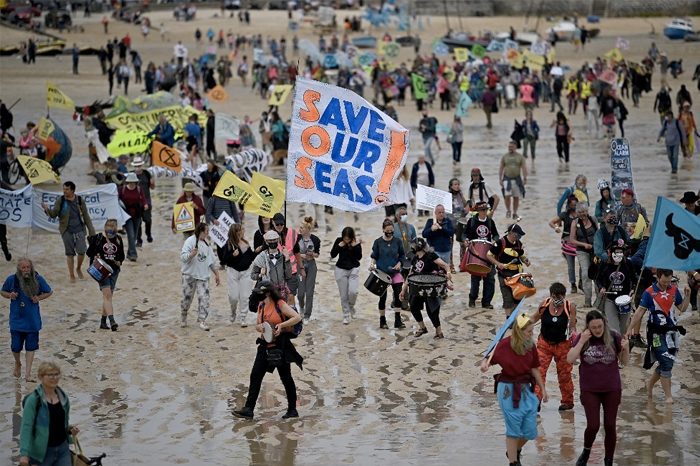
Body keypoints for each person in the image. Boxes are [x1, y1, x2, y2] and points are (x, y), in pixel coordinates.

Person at [480, 313, 547, 466]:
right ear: (519, 331)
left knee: (531, 429)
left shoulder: (531, 345)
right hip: (507, 389)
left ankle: (513, 450)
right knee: (513, 427)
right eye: (529, 331)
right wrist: (484, 364)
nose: (532, 334)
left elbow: (534, 368)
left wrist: (542, 389)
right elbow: (488, 360)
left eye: (532, 330)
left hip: (525, 388)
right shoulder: (503, 344)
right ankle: (513, 462)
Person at [233, 280, 303, 420]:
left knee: (286, 378)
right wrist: (259, 328)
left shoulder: (280, 304)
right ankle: (248, 409)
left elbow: (297, 317)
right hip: (264, 346)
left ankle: (292, 410)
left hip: (280, 347)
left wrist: (281, 326)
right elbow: (258, 325)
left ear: (268, 293)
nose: (257, 295)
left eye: (260, 292)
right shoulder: (261, 305)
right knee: (255, 376)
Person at [568, 310, 629, 466]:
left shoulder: (614, 336)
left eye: (600, 326)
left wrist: (626, 348)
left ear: (604, 323)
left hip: (612, 387)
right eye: (593, 327)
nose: (597, 330)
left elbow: (625, 362)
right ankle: (586, 450)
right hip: (590, 388)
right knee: (593, 425)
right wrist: (581, 342)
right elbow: (570, 359)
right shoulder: (584, 338)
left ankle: (609, 460)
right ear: (588, 326)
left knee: (610, 425)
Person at [626, 269, 690, 404]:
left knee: (668, 361)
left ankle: (650, 383)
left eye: (668, 281)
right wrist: (630, 328)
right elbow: (639, 312)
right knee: (666, 361)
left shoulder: (673, 290)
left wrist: (687, 295)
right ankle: (668, 397)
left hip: (672, 332)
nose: (666, 284)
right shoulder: (649, 292)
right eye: (663, 281)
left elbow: (682, 308)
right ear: (658, 278)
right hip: (655, 332)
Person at [19, 361, 80, 466]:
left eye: (56, 374)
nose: (54, 377)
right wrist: (24, 454)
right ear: (40, 377)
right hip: (41, 454)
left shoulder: (64, 398)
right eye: (50, 374)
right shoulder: (33, 400)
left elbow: (61, 424)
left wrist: (70, 431)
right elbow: (26, 427)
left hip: (63, 451)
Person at [2, 258, 52, 382]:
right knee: (15, 347)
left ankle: (27, 374)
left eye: (28, 267)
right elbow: (2, 291)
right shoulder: (12, 279)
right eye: (23, 267)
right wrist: (10, 295)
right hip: (16, 320)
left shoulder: (38, 279)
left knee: (31, 347)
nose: (26, 270)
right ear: (18, 269)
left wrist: (38, 298)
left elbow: (49, 291)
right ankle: (17, 363)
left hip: (32, 321)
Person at [531, 282, 577, 411]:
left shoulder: (570, 307)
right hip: (544, 344)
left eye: (560, 297)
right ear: (551, 295)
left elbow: (572, 326)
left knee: (564, 374)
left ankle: (567, 402)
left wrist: (574, 335)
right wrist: (522, 325)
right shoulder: (544, 305)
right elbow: (534, 318)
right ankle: (536, 400)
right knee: (539, 372)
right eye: (555, 297)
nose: (558, 300)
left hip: (563, 345)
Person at [41, 182, 96, 283]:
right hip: (66, 230)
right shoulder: (61, 201)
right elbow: (53, 214)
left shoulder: (79, 200)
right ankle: (72, 275)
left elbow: (86, 216)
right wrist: (46, 209)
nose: (64, 191)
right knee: (69, 253)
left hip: (79, 229)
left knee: (82, 251)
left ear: (72, 190)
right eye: (63, 189)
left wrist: (92, 231)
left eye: (66, 189)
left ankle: (78, 268)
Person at [399, 237, 449, 338]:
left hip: (431, 287)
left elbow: (445, 265)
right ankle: (422, 328)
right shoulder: (414, 258)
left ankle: (438, 332)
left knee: (432, 310)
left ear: (418, 247)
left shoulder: (431, 256)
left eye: (413, 246)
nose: (411, 247)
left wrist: (448, 273)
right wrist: (403, 290)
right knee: (413, 306)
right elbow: (410, 275)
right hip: (417, 288)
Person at [180, 222, 221, 330]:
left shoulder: (207, 245)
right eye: (206, 231)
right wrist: (191, 255)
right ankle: (184, 315)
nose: (208, 233)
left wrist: (217, 274)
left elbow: (212, 262)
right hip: (189, 275)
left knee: (204, 298)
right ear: (201, 231)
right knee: (186, 298)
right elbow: (183, 257)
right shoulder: (189, 241)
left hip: (203, 276)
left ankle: (202, 320)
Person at [86, 219, 124, 332]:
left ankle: (103, 321)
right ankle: (112, 321)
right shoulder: (98, 238)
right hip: (101, 270)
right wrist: (96, 255)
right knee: (107, 295)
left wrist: (119, 261)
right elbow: (89, 252)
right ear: (105, 229)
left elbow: (121, 255)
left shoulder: (118, 239)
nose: (110, 234)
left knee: (108, 297)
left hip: (114, 270)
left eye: (112, 232)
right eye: (108, 232)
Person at [488, 223, 531, 317]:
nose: (519, 237)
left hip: (517, 274)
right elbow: (489, 255)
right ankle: (509, 318)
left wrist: (526, 261)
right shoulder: (500, 243)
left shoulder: (519, 243)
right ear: (512, 233)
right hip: (504, 274)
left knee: (517, 296)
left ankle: (512, 316)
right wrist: (498, 264)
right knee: (507, 298)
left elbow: (522, 255)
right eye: (518, 234)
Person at [371, 218, 407, 329]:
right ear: (383, 229)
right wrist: (372, 264)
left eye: (391, 230)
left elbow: (402, 255)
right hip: (382, 273)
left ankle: (397, 318)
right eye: (387, 230)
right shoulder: (378, 242)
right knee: (382, 297)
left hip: (395, 272)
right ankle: (382, 319)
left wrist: (399, 263)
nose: (389, 233)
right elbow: (374, 256)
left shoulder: (397, 241)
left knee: (398, 294)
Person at [463, 201, 499, 309]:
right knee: (475, 279)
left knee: (490, 279)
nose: (484, 212)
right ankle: (472, 299)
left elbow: (496, 234)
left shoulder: (490, 222)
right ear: (478, 211)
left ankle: (486, 302)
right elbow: (464, 234)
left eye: (486, 210)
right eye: (482, 210)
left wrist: (494, 240)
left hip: (488, 254)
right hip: (476, 253)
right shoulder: (472, 221)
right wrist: (466, 240)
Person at [596, 241, 635, 336]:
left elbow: (634, 279)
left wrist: (633, 290)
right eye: (616, 251)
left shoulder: (628, 263)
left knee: (623, 329)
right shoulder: (605, 263)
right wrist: (601, 288)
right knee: (614, 330)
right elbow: (598, 279)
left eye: (620, 252)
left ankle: (622, 349)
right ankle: (614, 348)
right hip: (610, 300)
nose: (619, 254)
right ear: (611, 253)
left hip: (625, 301)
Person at [221, 224, 255, 327]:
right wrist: (232, 255)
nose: (242, 232)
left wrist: (256, 252)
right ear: (234, 233)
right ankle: (233, 310)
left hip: (246, 272)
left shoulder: (246, 243)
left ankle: (243, 317)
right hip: (233, 271)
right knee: (233, 296)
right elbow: (224, 259)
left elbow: (250, 258)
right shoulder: (229, 244)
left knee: (245, 296)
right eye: (239, 231)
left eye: (242, 230)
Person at [251, 230, 298, 304]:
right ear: (266, 242)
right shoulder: (261, 258)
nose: (273, 242)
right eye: (270, 240)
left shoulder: (283, 256)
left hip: (281, 292)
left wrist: (287, 259)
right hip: (267, 292)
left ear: (278, 240)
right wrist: (260, 274)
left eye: (275, 239)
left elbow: (288, 275)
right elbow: (253, 275)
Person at [570, 202, 598, 308]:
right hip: (582, 251)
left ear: (587, 211)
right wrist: (584, 245)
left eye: (584, 212)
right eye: (580, 213)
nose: (582, 215)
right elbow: (572, 240)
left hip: (595, 251)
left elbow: (598, 233)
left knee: (597, 274)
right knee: (586, 273)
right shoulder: (575, 222)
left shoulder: (593, 219)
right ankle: (587, 300)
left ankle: (599, 298)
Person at [549, 194, 579, 294]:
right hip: (568, 243)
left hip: (579, 242)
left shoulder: (581, 214)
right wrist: (556, 228)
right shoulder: (564, 215)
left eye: (575, 204)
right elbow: (551, 222)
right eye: (572, 204)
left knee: (584, 265)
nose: (574, 206)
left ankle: (582, 282)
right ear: (569, 205)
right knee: (571, 266)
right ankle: (573, 284)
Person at [331, 227, 362, 322]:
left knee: (353, 292)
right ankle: (346, 314)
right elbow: (332, 255)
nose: (346, 240)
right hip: (341, 269)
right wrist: (339, 246)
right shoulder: (339, 241)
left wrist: (355, 247)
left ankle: (351, 307)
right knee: (343, 295)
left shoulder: (356, 243)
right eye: (345, 238)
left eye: (348, 239)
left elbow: (359, 257)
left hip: (353, 269)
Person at [294, 217, 321, 322]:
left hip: (311, 265)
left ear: (307, 229)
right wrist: (303, 255)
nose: (300, 229)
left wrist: (312, 254)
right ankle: (301, 306)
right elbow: (294, 252)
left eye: (301, 228)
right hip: (300, 265)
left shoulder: (315, 239)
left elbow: (317, 254)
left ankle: (307, 315)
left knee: (309, 292)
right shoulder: (297, 238)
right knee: (300, 292)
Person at [119, 173, 148, 261]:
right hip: (126, 216)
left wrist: (145, 205)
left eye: (134, 182)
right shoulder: (122, 189)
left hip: (137, 214)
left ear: (136, 182)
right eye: (130, 182)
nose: (132, 184)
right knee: (131, 235)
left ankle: (129, 253)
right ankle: (133, 254)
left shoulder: (139, 189)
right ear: (127, 182)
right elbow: (117, 199)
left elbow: (143, 199)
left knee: (134, 236)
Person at [499, 141, 527, 221]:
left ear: (515, 147)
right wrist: (500, 179)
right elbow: (501, 168)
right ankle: (508, 210)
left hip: (517, 179)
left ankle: (515, 213)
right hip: (506, 179)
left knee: (516, 197)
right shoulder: (505, 157)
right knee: (507, 196)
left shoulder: (520, 157)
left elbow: (524, 168)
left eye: (511, 147)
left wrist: (524, 178)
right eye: (509, 147)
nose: (510, 148)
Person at [132, 156, 155, 246]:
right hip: (135, 202)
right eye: (136, 165)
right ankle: (139, 240)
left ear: (141, 165)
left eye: (139, 165)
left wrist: (153, 183)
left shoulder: (146, 174)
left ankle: (148, 233)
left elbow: (152, 188)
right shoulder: (131, 175)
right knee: (137, 222)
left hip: (147, 201)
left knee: (148, 220)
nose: (138, 167)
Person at [447, 178, 468, 273]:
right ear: (451, 186)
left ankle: (462, 265)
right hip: (450, 224)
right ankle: (451, 266)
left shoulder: (460, 195)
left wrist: (467, 206)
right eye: (455, 184)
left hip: (460, 223)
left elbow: (465, 207)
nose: (457, 186)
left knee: (463, 244)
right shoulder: (447, 196)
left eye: (458, 184)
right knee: (450, 245)